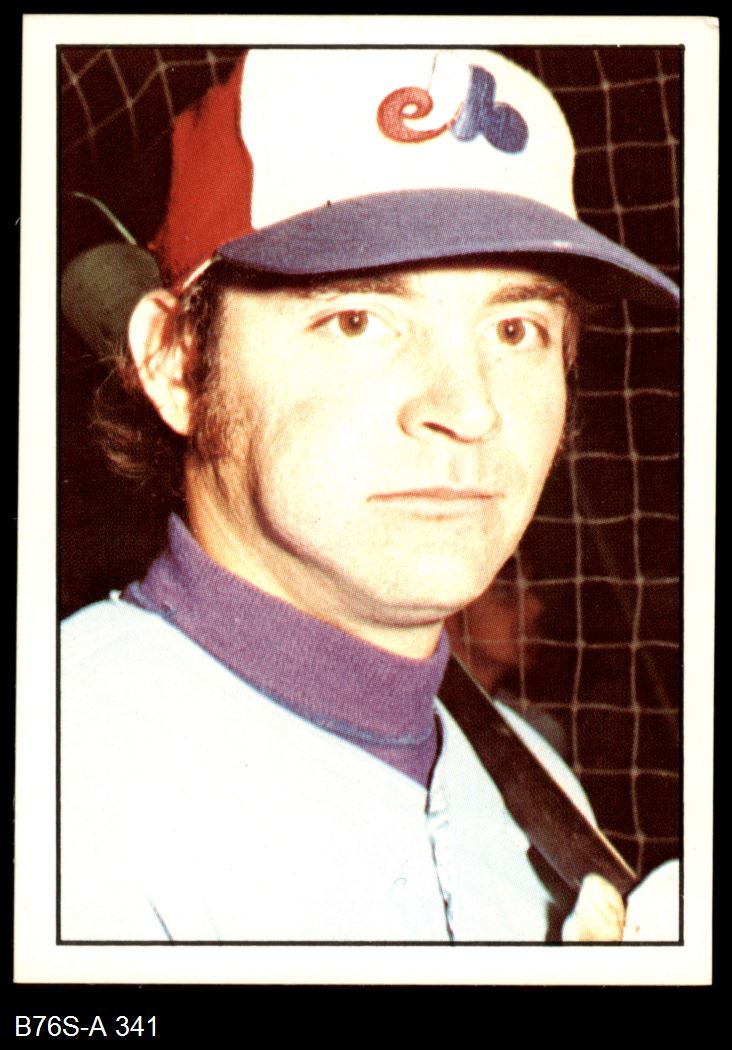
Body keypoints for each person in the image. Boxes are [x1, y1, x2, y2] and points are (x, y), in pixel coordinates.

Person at [60, 48, 679, 943]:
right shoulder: (62, 782)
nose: (469, 409)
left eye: (516, 329)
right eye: (358, 320)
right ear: (176, 364)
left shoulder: (539, 789)